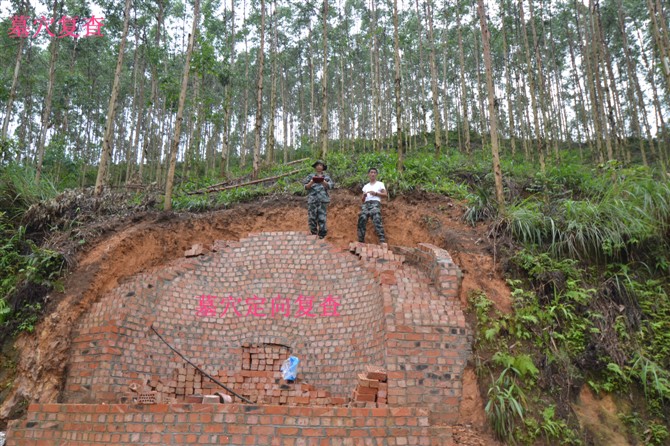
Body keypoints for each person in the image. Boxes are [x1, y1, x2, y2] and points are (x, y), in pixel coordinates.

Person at [302, 160, 334, 239]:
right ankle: (313, 234)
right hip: (312, 200)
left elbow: (330, 186)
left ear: (323, 167)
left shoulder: (326, 177)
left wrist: (323, 181)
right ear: (315, 167)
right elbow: (305, 187)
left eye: (321, 165)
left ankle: (322, 236)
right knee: (312, 218)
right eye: (317, 165)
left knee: (322, 218)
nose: (319, 166)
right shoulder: (310, 176)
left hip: (322, 200)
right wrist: (312, 182)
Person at [358, 167, 387, 243]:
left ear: (376, 174)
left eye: (374, 172)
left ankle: (382, 240)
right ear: (368, 174)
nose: (373, 174)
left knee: (376, 217)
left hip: (375, 202)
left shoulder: (380, 184)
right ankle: (361, 240)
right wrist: (364, 196)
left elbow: (385, 194)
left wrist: (376, 193)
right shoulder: (365, 186)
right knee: (362, 218)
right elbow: (362, 200)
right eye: (371, 172)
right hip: (366, 204)